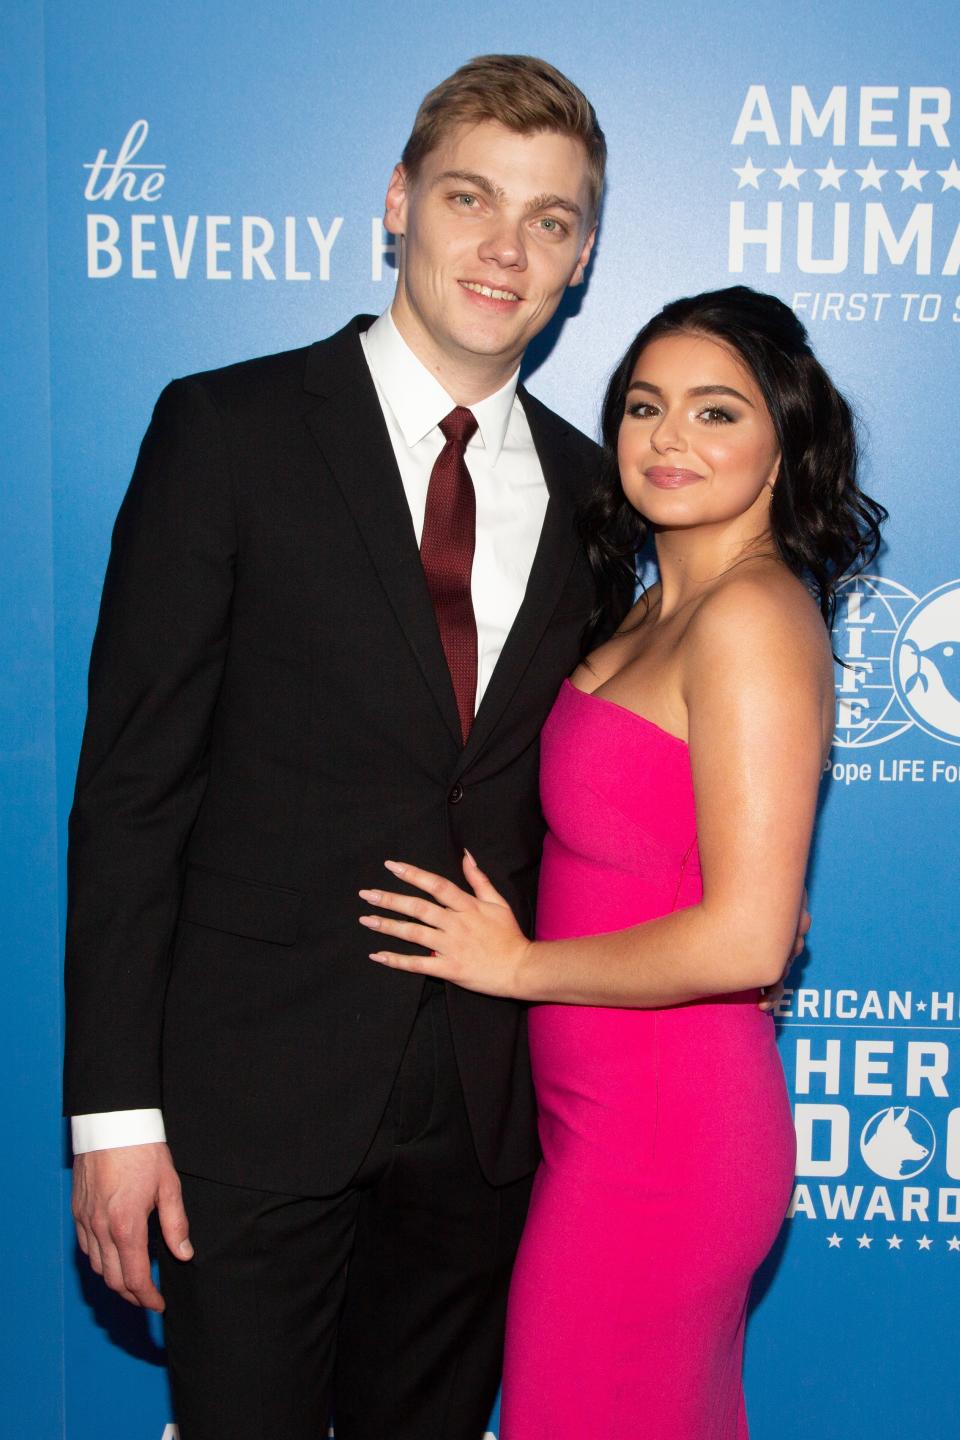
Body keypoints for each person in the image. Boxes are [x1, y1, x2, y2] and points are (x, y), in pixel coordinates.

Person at [65, 54, 608, 1440]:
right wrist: (114, 1118)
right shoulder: (227, 430)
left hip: (486, 1120)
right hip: (250, 1101)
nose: (505, 247)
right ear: (396, 203)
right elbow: (133, 793)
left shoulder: (601, 495)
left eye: (550, 220)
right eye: (470, 197)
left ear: (582, 257)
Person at [356, 286, 886, 1439]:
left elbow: (749, 936)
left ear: (785, 440)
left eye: (716, 412)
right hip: (603, 1124)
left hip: (663, 1143)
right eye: (645, 407)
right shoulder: (649, 612)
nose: (667, 439)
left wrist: (515, 966)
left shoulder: (750, 618)